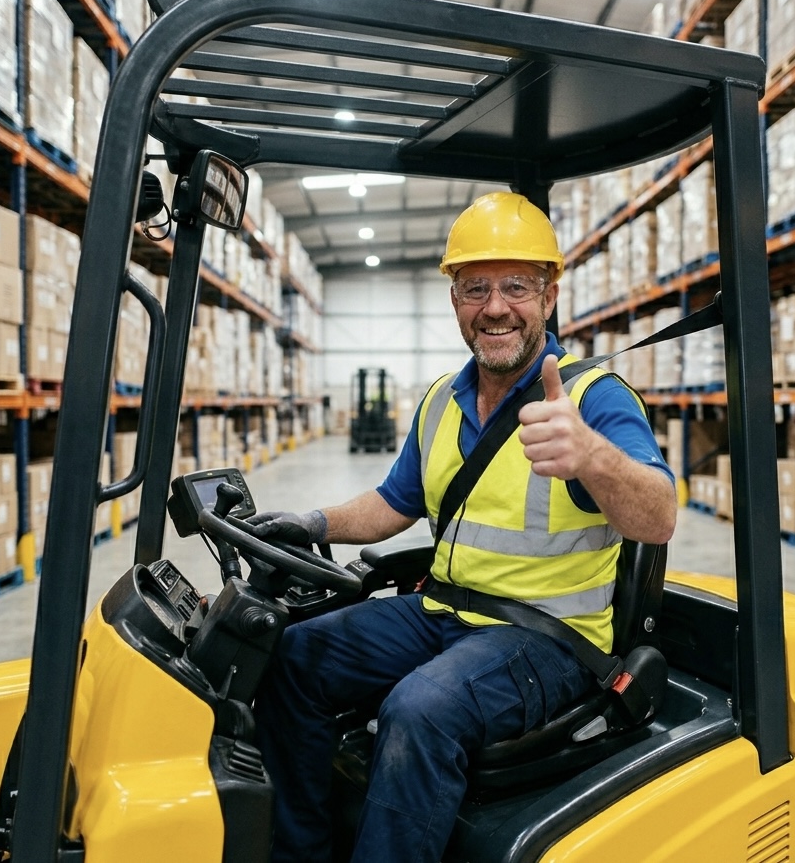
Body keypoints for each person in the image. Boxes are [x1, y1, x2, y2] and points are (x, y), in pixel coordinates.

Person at [250, 191, 678, 863]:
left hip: (547, 638)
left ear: (550, 294)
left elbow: (657, 517)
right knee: (290, 655)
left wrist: (592, 456)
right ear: (455, 300)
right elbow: (394, 503)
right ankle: (301, 852)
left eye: (516, 287)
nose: (496, 307)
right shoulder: (439, 402)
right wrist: (312, 523)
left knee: (421, 710)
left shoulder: (593, 397)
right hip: (443, 611)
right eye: (475, 288)